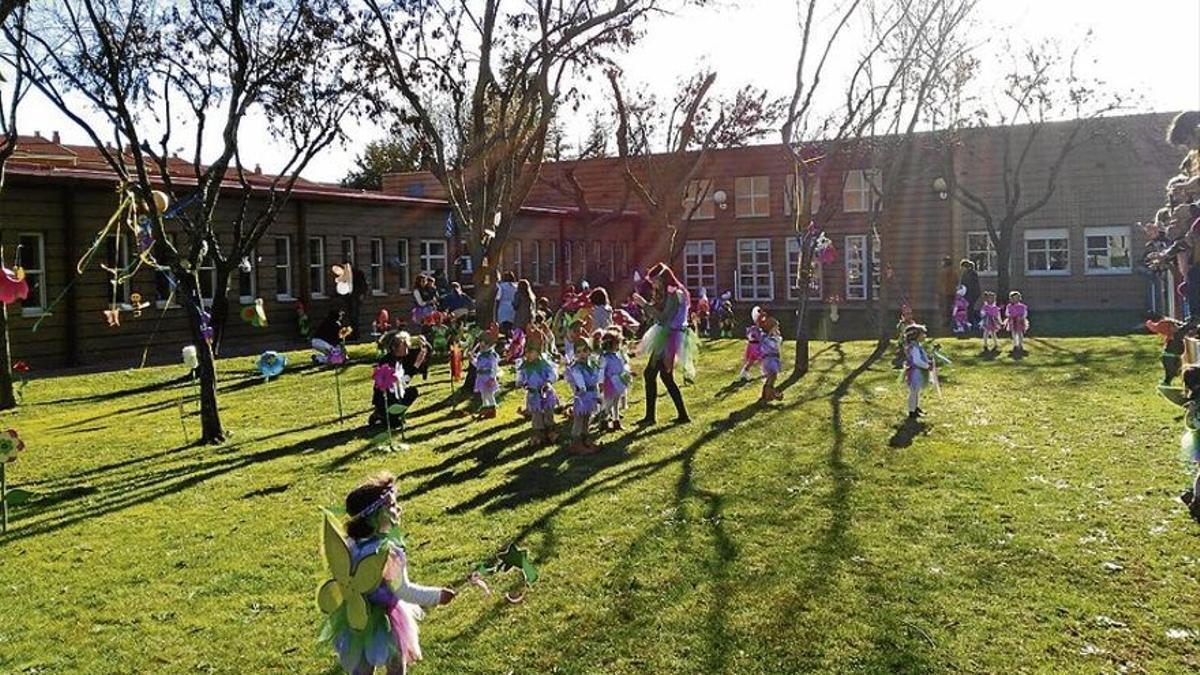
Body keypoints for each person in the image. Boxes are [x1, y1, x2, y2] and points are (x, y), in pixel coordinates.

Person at [318, 472, 456, 674]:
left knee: (361, 667)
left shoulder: (350, 546)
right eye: (391, 506)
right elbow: (404, 590)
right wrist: (437, 596)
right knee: (395, 667)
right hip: (387, 620)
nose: (397, 509)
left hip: (355, 616)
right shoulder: (388, 554)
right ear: (374, 516)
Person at [636, 263, 696, 424]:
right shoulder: (668, 292)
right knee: (663, 376)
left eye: (655, 281)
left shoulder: (676, 293)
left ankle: (652, 417)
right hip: (665, 334)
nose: (653, 285)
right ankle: (680, 415)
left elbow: (664, 317)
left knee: (653, 374)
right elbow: (657, 315)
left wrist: (644, 304)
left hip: (669, 335)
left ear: (663, 278)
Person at [370, 331, 430, 428]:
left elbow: (425, 350)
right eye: (404, 345)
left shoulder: (405, 356)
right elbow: (400, 381)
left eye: (407, 344)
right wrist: (417, 364)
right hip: (386, 396)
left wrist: (423, 345)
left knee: (412, 392)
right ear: (395, 348)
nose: (407, 346)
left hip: (397, 392)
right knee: (393, 424)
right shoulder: (387, 361)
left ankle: (390, 415)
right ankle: (381, 414)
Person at [516, 327, 559, 445]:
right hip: (533, 394)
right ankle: (538, 434)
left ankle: (550, 431)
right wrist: (520, 382)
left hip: (545, 392)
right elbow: (521, 376)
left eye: (531, 352)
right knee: (536, 415)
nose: (528, 355)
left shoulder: (544, 364)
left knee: (548, 413)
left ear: (538, 352)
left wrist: (549, 381)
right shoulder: (525, 366)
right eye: (526, 352)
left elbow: (553, 374)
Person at [565, 337, 602, 453]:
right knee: (579, 419)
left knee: (587, 417)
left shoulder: (592, 366)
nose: (582, 354)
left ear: (589, 351)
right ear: (575, 354)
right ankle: (575, 443)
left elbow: (597, 378)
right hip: (582, 397)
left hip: (591, 396)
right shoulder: (576, 368)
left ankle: (585, 438)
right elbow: (579, 380)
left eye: (584, 351)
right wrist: (581, 388)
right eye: (578, 352)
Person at [599, 329, 632, 431]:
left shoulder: (616, 356)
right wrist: (600, 383)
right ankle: (603, 421)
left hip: (618, 380)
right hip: (610, 382)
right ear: (610, 344)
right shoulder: (604, 358)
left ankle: (616, 420)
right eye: (617, 343)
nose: (619, 345)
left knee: (616, 401)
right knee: (608, 402)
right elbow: (601, 371)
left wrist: (628, 374)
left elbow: (621, 366)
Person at [902, 323, 932, 421]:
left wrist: (928, 361)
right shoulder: (914, 347)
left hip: (918, 371)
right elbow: (917, 361)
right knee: (913, 391)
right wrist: (927, 366)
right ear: (916, 336)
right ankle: (911, 411)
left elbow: (922, 357)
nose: (925, 336)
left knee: (916, 391)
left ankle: (915, 407)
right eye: (923, 334)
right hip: (915, 372)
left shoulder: (918, 346)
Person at [472, 324, 502, 419]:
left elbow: (494, 367)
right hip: (480, 377)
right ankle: (485, 408)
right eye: (480, 342)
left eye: (483, 343)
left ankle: (492, 409)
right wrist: (472, 359)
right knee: (483, 394)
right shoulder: (481, 355)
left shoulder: (491, 355)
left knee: (489, 394)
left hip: (488, 377)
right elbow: (477, 365)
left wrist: (492, 378)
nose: (481, 345)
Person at [759, 313, 783, 403]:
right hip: (770, 360)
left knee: (771, 378)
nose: (778, 329)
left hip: (770, 359)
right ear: (772, 328)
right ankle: (769, 396)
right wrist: (777, 337)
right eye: (777, 327)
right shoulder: (769, 339)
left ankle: (766, 395)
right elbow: (775, 345)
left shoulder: (767, 338)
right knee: (772, 377)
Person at [737, 307, 766, 381]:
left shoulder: (756, 329)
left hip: (753, 346)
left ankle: (744, 373)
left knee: (751, 360)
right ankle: (764, 374)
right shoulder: (754, 329)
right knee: (761, 360)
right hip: (755, 346)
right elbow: (754, 337)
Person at [1004, 290, 1029, 356]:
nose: (1016, 299)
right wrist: (1009, 316)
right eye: (1014, 298)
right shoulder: (1009, 306)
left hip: (1020, 321)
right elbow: (1007, 313)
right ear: (1011, 299)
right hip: (1012, 320)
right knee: (1014, 333)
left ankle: (1020, 344)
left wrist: (1022, 317)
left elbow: (1025, 313)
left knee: (1020, 332)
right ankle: (1015, 344)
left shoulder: (1022, 306)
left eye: (1017, 297)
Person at [959, 259, 981, 327]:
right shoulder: (967, 274)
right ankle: (971, 321)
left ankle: (972, 322)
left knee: (970, 308)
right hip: (969, 294)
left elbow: (970, 285)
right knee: (969, 308)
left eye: (962, 267)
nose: (961, 269)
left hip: (971, 294)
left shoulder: (971, 274)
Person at [939, 256, 957, 330]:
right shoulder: (954, 271)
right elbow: (956, 281)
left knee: (946, 308)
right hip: (953, 292)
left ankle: (946, 323)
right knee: (951, 308)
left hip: (945, 293)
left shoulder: (943, 272)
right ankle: (951, 322)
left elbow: (941, 283)